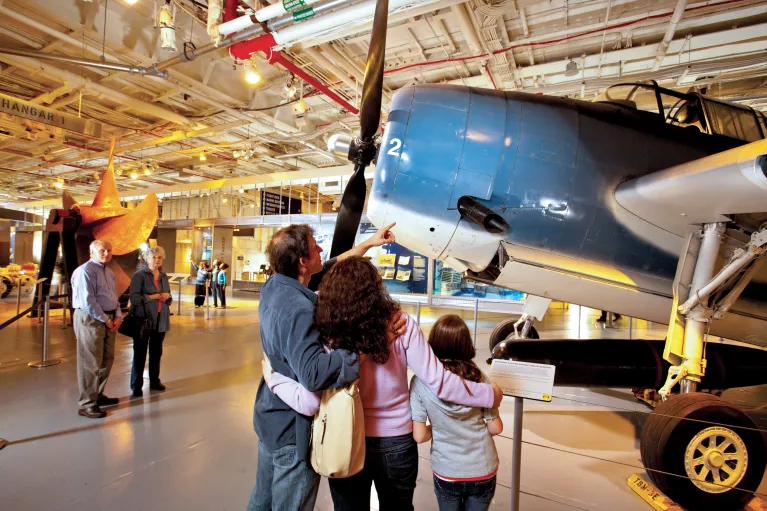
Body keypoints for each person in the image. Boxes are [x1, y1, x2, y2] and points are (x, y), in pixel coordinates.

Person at [264, 257, 503, 511]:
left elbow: (311, 399)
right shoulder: (400, 324)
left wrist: (273, 378)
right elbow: (439, 382)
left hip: (345, 437)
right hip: (397, 440)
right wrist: (489, 395)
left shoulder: (330, 332)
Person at [247, 223, 403, 511]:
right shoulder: (298, 307)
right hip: (292, 432)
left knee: (261, 501)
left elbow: (331, 264)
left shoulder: (275, 285)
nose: (321, 249)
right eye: (315, 246)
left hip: (269, 418)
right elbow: (314, 372)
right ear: (303, 262)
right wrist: (369, 346)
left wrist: (368, 244)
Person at [410, 314, 503, 511]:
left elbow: (419, 436)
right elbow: (495, 428)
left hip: (447, 470)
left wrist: (439, 426)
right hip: (482, 467)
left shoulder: (420, 382)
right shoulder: (479, 377)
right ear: (465, 344)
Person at [71, 240, 123, 419]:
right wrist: (107, 319)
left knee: (106, 359)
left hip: (108, 318)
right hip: (91, 319)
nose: (106, 254)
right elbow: (88, 302)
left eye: (109, 250)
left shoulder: (108, 272)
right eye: (102, 250)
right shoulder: (85, 271)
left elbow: (113, 296)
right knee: (90, 362)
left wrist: (117, 314)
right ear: (91, 251)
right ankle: (87, 404)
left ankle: (97, 395)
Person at [129, 246, 173, 398]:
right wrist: (153, 297)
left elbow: (169, 298)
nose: (156, 260)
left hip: (160, 320)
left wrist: (167, 296)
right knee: (140, 353)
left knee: (156, 352)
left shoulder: (163, 276)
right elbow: (134, 299)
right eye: (153, 257)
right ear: (147, 259)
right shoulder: (139, 276)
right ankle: (136, 385)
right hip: (144, 320)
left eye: (159, 258)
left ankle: (154, 380)